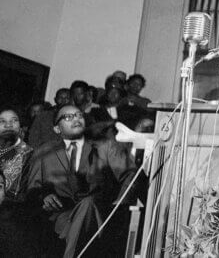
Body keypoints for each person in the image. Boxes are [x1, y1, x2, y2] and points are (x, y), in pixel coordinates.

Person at [26, 105, 140, 258]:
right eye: (68, 117)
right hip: (61, 214)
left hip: (98, 213)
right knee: (73, 225)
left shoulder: (105, 145)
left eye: (79, 115)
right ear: (57, 129)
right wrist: (44, 196)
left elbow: (131, 174)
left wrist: (118, 204)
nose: (76, 119)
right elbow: (33, 189)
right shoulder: (44, 152)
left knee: (88, 202)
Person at [0, 109, 35, 257]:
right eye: (2, 121)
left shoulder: (30, 154)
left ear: (22, 127)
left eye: (13, 120)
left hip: (12, 212)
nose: (8, 125)